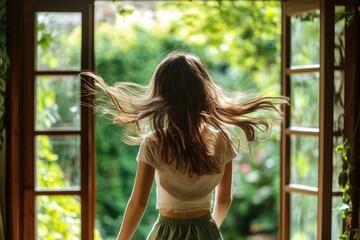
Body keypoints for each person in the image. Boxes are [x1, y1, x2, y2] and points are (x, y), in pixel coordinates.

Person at [82, 51, 288, 240]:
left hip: (167, 232)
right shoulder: (222, 140)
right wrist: (210, 230)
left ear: (162, 96)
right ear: (203, 92)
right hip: (206, 231)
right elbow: (225, 200)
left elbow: (138, 203)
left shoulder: (154, 143)